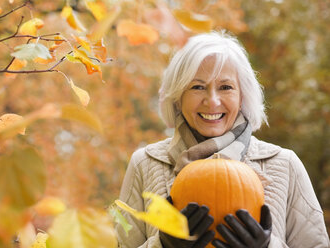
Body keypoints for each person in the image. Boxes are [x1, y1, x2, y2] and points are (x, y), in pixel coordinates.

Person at [116, 31, 330, 248]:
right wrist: (162, 245)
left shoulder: (285, 164)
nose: (212, 101)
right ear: (178, 98)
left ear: (242, 96)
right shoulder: (144, 163)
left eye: (226, 87)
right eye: (197, 87)